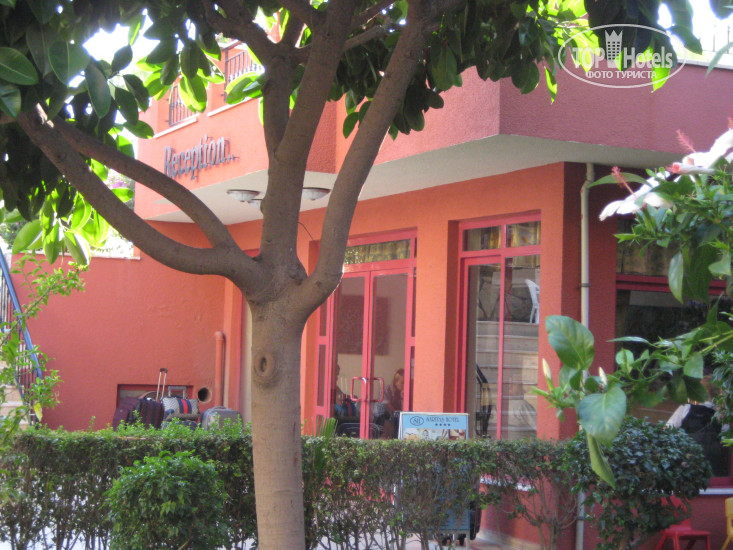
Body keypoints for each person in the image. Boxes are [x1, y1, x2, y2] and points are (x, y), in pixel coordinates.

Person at [667, 379, 729, 477]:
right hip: (712, 470)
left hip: (686, 467)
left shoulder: (685, 408)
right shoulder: (722, 417)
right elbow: (725, 446)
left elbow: (667, 430)